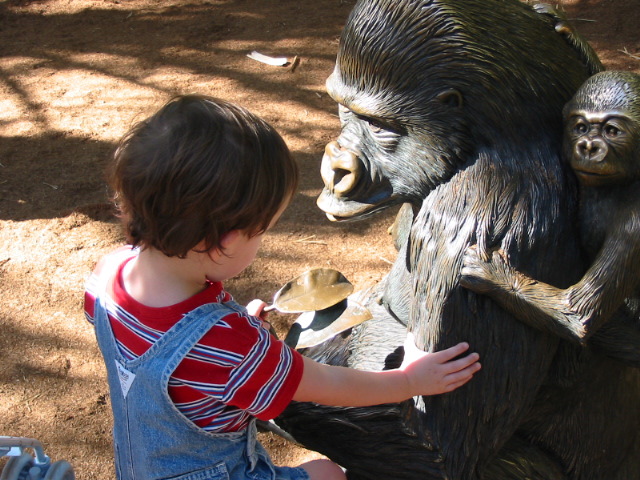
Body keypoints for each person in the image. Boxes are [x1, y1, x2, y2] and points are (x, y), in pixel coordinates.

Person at [84, 94, 481, 480]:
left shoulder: (107, 274)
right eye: (263, 232)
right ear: (227, 240)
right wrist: (409, 381)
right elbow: (326, 385)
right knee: (328, 473)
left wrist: (233, 340)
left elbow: (162, 345)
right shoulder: (232, 348)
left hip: (141, 469)